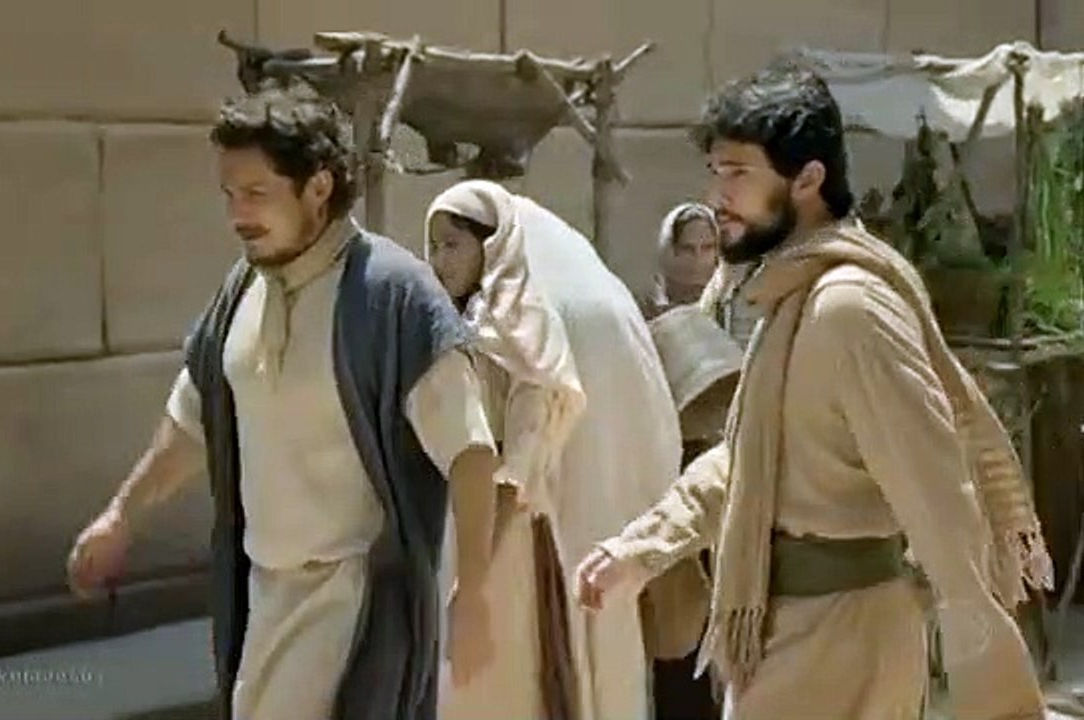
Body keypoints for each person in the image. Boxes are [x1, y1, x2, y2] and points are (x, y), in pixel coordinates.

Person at [575, 65, 1053, 720]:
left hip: (845, 642)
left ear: (807, 180)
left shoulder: (850, 310)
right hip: (789, 634)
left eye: (738, 173)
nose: (717, 196)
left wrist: (991, 674)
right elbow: (751, 459)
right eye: (715, 171)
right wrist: (642, 550)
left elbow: (937, 487)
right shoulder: (792, 298)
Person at [66, 85, 504, 720]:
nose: (238, 214)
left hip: (354, 600)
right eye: (229, 195)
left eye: (256, 193)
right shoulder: (240, 292)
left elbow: (470, 451)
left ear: (318, 187)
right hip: (261, 594)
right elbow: (193, 423)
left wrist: (477, 593)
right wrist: (120, 519)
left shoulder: (392, 295)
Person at [425, 180, 698, 720]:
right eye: (433, 246)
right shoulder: (466, 324)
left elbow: (525, 454)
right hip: (468, 535)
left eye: (453, 244)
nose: (439, 260)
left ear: (492, 243)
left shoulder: (523, 330)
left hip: (512, 544)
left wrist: (475, 576)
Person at [642, 202, 721, 318]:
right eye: (687, 249)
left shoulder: (729, 307)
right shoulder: (645, 311)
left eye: (707, 247)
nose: (698, 258)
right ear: (670, 250)